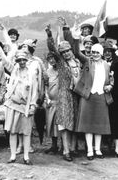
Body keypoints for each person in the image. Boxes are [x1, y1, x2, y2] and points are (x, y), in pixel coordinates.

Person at [73, 43, 113, 160]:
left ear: (101, 54)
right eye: (93, 52)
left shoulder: (107, 65)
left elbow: (110, 80)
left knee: (99, 125)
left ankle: (98, 149)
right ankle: (90, 150)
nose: (95, 54)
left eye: (97, 52)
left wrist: (110, 86)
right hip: (88, 97)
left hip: (101, 97)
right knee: (88, 125)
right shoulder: (87, 62)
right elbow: (76, 52)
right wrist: (72, 35)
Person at [45, 24, 79, 161]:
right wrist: (49, 35)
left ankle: (73, 148)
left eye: (67, 51)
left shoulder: (77, 61)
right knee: (64, 124)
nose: (65, 53)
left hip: (76, 95)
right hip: (64, 96)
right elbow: (52, 48)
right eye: (63, 52)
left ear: (71, 50)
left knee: (74, 123)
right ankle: (66, 151)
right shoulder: (61, 63)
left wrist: (67, 30)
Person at [2, 50, 39, 164]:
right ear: (17, 61)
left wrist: (33, 105)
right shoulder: (14, 71)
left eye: (24, 59)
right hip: (13, 105)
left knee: (26, 132)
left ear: (27, 60)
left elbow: (34, 91)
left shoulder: (31, 73)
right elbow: (4, 60)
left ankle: (26, 157)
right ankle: (13, 156)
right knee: (13, 131)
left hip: (25, 106)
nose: (21, 62)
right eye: (19, 60)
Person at [43, 52, 61, 154]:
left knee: (61, 125)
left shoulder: (63, 70)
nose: (51, 60)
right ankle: (54, 145)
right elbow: (45, 85)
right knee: (52, 124)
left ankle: (64, 146)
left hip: (61, 101)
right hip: (52, 102)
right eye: (49, 59)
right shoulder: (47, 72)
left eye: (53, 58)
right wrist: (47, 97)